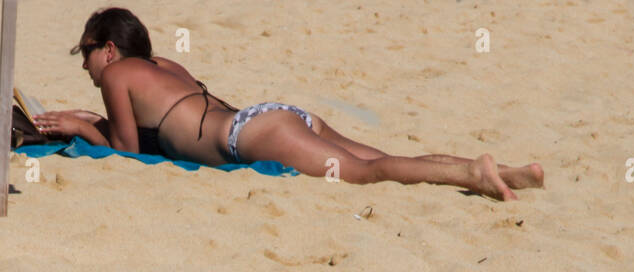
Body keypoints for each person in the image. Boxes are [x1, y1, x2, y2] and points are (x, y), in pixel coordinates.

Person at [33, 7, 542, 200]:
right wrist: (91, 119)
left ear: (109, 48)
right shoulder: (162, 66)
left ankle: (474, 175)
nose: (85, 66)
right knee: (374, 155)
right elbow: (166, 121)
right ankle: (506, 172)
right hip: (268, 117)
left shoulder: (116, 74)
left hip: (250, 137)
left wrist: (82, 128)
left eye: (86, 53)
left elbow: (126, 152)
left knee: (368, 173)